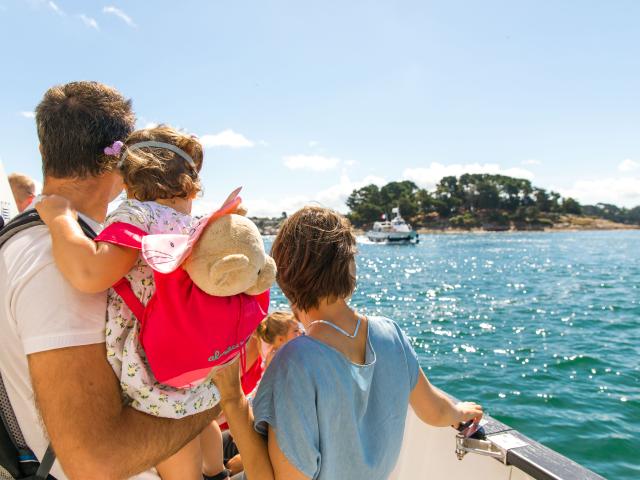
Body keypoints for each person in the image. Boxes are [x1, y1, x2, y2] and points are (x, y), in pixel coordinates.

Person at [0, 81, 219, 480]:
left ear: (42, 151)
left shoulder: (59, 240)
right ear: (119, 163)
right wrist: (220, 395)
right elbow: (94, 462)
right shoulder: (55, 258)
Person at [213, 206, 484, 480]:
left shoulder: (294, 362)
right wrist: (459, 412)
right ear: (349, 268)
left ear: (283, 276)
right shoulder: (391, 334)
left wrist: (233, 401)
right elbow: (435, 411)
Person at [35, 125, 239, 480]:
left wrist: (60, 219)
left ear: (128, 182)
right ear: (189, 183)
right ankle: (215, 471)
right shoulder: (196, 225)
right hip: (196, 361)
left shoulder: (137, 217)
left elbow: (89, 273)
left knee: (168, 441)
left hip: (153, 365)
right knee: (191, 417)